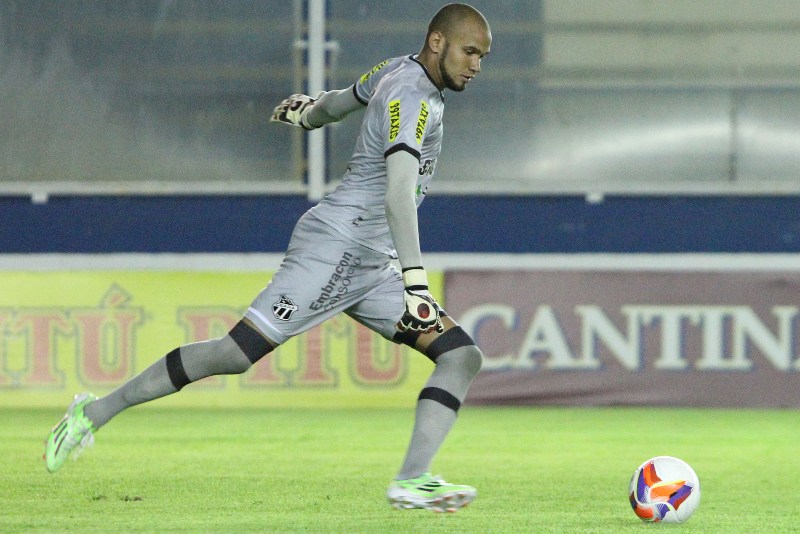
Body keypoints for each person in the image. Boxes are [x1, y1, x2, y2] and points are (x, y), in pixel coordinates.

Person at [45, 3, 492, 513]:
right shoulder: (412, 99)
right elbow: (396, 194)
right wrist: (417, 285)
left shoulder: (394, 69)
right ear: (437, 42)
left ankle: (412, 480)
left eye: (482, 56)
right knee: (234, 354)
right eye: (469, 51)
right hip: (335, 248)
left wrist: (306, 114)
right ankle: (94, 413)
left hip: (369, 265)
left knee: (460, 356)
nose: (476, 64)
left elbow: (339, 102)